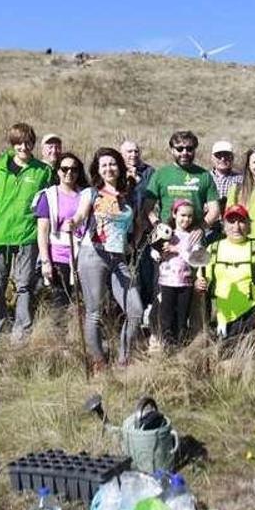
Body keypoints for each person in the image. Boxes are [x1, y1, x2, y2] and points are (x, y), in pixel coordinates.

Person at [194, 204, 255, 394]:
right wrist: (199, 284)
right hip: (225, 317)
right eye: (231, 221)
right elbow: (203, 282)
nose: (236, 226)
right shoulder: (213, 249)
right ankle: (245, 368)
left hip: (254, 309)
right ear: (224, 225)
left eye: (241, 221)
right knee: (222, 369)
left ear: (248, 225)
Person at [0, 122, 53, 342]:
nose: (23, 147)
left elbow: (48, 205)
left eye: (28, 142)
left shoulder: (43, 171)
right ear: (12, 144)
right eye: (18, 143)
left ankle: (21, 333)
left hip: (27, 235)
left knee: (24, 286)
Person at [74, 147, 144, 372]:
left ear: (119, 166)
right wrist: (73, 222)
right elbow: (82, 214)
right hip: (93, 254)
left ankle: (123, 360)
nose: (108, 168)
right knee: (94, 312)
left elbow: (137, 224)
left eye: (112, 163)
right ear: (98, 169)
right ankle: (99, 361)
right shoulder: (91, 193)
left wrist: (134, 241)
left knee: (135, 310)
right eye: (103, 165)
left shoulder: (129, 194)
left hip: (119, 258)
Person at [34, 152, 88, 307]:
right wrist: (45, 261)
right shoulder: (48, 196)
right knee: (60, 305)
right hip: (58, 257)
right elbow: (42, 232)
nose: (69, 173)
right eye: (64, 169)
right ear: (58, 171)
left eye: (74, 169)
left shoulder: (85, 194)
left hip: (83, 256)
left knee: (84, 304)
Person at [142, 131, 220, 228]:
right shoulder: (160, 174)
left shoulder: (204, 175)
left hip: (194, 235)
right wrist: (158, 225)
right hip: (167, 233)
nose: (184, 153)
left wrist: (201, 229)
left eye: (189, 149)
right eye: (179, 149)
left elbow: (214, 210)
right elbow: (147, 207)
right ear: (172, 150)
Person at [154, 199, 205, 347]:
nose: (186, 219)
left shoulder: (193, 237)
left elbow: (196, 259)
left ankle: (180, 347)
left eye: (189, 216)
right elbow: (154, 252)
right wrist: (158, 253)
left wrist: (177, 250)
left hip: (185, 283)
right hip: (166, 282)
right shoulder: (167, 234)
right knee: (166, 316)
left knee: (182, 317)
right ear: (174, 214)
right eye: (182, 215)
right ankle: (167, 346)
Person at [122, 139, 161, 330]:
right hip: (121, 233)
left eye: (136, 151)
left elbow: (152, 202)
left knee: (145, 274)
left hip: (144, 232)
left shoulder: (150, 173)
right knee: (125, 275)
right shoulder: (117, 172)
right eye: (128, 152)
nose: (133, 155)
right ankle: (124, 316)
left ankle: (146, 316)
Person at [209, 140, 242, 209]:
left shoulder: (241, 179)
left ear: (232, 158)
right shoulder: (206, 178)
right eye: (218, 155)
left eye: (226, 155)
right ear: (212, 158)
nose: (223, 159)